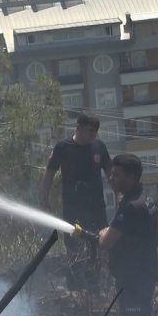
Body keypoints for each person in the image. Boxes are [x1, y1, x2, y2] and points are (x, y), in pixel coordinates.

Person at [97, 154, 158, 316]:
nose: (111, 179)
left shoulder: (130, 207)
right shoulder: (146, 198)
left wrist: (104, 234)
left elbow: (106, 242)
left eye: (116, 175)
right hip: (143, 275)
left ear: (132, 177)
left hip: (132, 281)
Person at [40, 113, 112, 291]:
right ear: (78, 127)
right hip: (73, 209)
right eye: (90, 131)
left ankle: (100, 286)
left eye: (96, 132)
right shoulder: (63, 147)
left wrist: (120, 195)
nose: (93, 135)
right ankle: (75, 286)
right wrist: (44, 197)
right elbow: (49, 173)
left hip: (96, 208)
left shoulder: (99, 147)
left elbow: (111, 174)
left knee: (101, 244)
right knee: (73, 247)